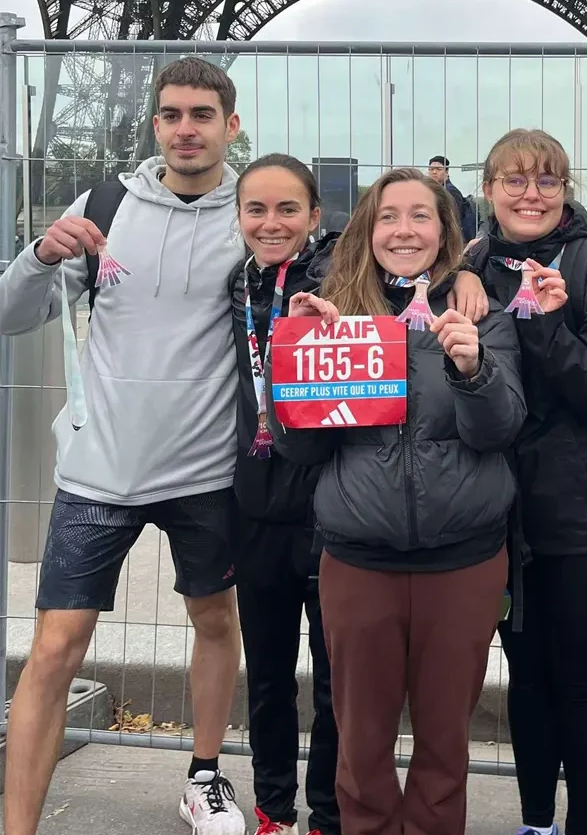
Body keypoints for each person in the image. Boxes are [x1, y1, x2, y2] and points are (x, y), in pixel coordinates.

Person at [0, 57, 248, 835]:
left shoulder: (255, 212)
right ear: (155, 124)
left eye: (201, 115)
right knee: (54, 649)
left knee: (214, 621)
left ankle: (204, 775)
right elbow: (12, 317)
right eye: (171, 114)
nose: (185, 128)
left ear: (228, 126)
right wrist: (41, 254)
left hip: (207, 466)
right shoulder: (104, 203)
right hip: (101, 467)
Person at [265, 166, 526, 835]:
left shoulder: (476, 311)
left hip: (462, 562)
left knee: (445, 751)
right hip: (359, 560)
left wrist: (474, 372)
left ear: (446, 232)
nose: (403, 230)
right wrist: (298, 361)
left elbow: (500, 430)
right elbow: (300, 452)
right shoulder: (333, 311)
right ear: (367, 230)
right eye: (388, 216)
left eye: (419, 216)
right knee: (360, 750)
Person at [467, 129, 587, 835]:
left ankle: (580, 828)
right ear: (489, 190)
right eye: (514, 180)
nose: (531, 194)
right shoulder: (473, 265)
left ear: (566, 189)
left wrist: (547, 324)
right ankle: (537, 821)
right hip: (505, 511)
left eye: (546, 180)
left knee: (575, 677)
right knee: (528, 678)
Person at [229, 154, 340, 835]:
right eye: (257, 210)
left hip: (328, 507)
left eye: (288, 210)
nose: (272, 224)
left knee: (336, 685)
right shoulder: (231, 285)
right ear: (238, 216)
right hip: (255, 508)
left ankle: (328, 814)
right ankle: (274, 807)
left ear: (315, 217)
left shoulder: (341, 279)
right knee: (268, 677)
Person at [428, 154, 478, 241]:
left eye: (439, 169)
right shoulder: (435, 190)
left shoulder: (451, 191)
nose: (434, 172)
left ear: (447, 172)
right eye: (431, 169)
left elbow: (454, 218)